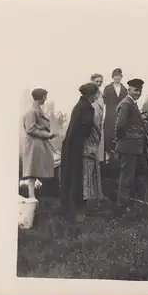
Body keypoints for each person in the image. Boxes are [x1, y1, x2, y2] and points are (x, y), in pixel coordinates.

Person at [112, 78, 148, 211]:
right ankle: (122, 206)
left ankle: (134, 204)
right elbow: (120, 126)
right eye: (135, 90)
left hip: (136, 147)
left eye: (140, 90)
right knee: (126, 177)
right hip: (129, 146)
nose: (138, 92)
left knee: (136, 176)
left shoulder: (132, 103)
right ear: (129, 90)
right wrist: (122, 140)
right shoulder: (126, 104)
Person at [60, 82, 98, 221]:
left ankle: (68, 207)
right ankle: (75, 209)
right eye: (95, 95)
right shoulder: (88, 108)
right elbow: (86, 128)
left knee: (70, 175)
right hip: (77, 145)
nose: (96, 97)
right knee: (76, 176)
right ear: (91, 95)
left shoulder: (79, 105)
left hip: (71, 144)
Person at [21, 88, 57, 201]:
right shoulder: (32, 112)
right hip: (33, 144)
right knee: (32, 169)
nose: (45, 99)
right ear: (40, 97)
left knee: (40, 166)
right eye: (45, 96)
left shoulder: (38, 110)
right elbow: (30, 129)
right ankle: (32, 196)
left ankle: (38, 192)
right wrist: (47, 134)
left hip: (39, 143)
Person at [103, 68, 128, 160]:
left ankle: (118, 155)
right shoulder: (107, 88)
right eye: (116, 76)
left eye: (119, 76)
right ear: (112, 77)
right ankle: (107, 156)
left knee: (119, 132)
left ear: (121, 77)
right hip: (110, 115)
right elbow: (104, 101)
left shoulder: (124, 89)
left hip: (120, 114)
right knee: (109, 134)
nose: (117, 78)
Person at [90, 73, 106, 163]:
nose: (99, 83)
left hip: (99, 123)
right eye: (97, 81)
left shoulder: (100, 94)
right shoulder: (89, 94)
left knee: (99, 147)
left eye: (101, 82)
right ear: (92, 81)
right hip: (91, 122)